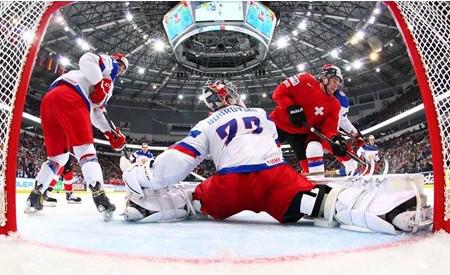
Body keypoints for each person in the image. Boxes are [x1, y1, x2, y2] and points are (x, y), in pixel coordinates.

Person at [119, 80, 433, 234]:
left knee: (191, 198)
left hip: (231, 184)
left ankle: (145, 207)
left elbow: (177, 163)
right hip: (275, 176)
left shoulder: (207, 123)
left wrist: (145, 175)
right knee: (322, 201)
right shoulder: (260, 115)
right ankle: (388, 211)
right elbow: (288, 133)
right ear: (233, 96)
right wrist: (330, 141)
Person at [25, 52, 129, 220]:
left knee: (58, 159)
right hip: (72, 98)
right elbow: (86, 58)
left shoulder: (104, 82)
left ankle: (35, 196)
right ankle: (99, 196)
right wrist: (99, 82)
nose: (122, 70)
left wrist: (110, 132)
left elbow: (96, 112)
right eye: (123, 66)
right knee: (85, 150)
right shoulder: (111, 67)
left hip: (49, 101)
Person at [269, 64, 350, 176]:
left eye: (338, 82)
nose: (336, 85)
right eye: (335, 80)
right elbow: (278, 93)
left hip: (302, 134)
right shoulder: (304, 79)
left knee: (311, 157)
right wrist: (290, 107)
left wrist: (335, 140)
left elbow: (329, 130)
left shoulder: (335, 105)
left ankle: (317, 186)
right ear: (325, 77)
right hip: (278, 124)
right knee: (267, 153)